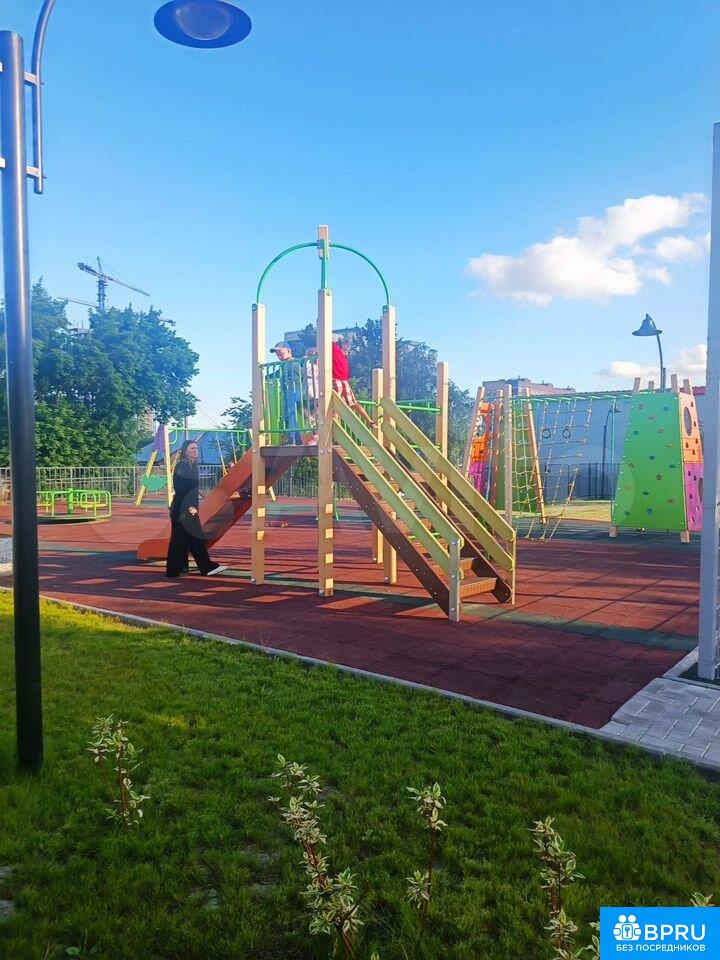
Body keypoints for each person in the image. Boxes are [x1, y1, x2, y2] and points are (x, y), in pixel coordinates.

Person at [166, 439, 228, 578]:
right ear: (185, 451)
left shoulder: (193, 465)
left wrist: (203, 495)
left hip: (187, 507)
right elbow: (181, 489)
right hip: (183, 509)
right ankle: (206, 567)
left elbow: (192, 488)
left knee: (180, 539)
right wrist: (190, 508)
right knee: (195, 538)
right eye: (192, 448)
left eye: (196, 448)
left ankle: (176, 570)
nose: (195, 451)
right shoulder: (182, 465)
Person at [270, 341, 302, 444]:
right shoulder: (283, 364)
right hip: (287, 391)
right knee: (288, 414)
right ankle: (297, 438)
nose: (278, 354)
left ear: (289, 351)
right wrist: (266, 376)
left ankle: (292, 437)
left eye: (281, 352)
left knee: (290, 413)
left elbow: (300, 375)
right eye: (277, 353)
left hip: (293, 390)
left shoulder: (293, 362)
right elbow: (278, 374)